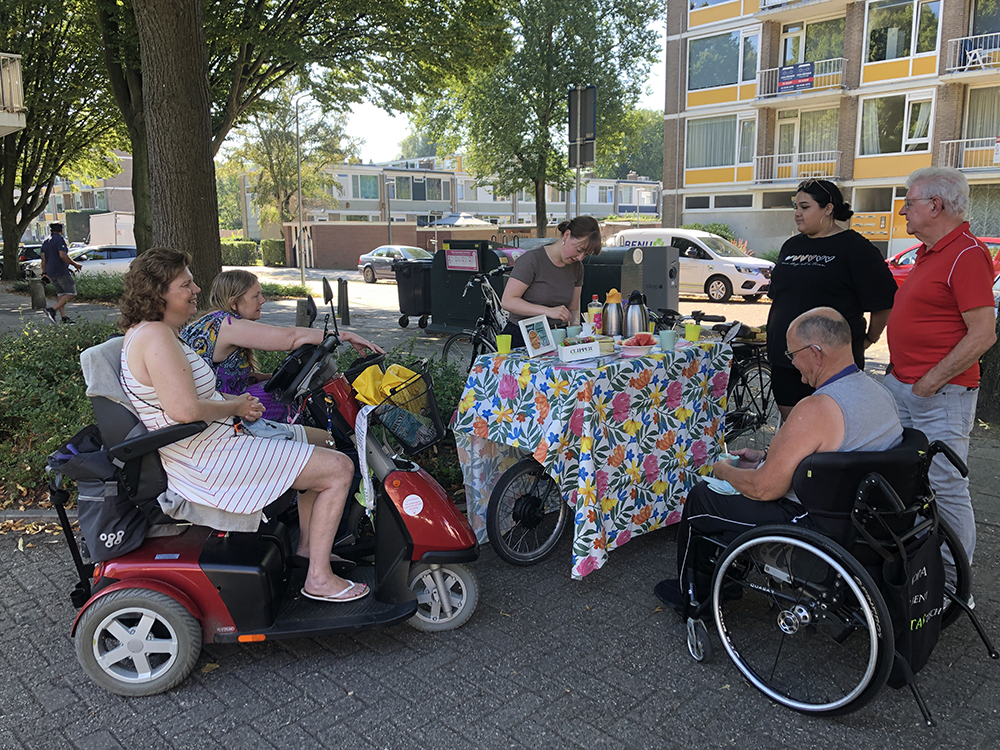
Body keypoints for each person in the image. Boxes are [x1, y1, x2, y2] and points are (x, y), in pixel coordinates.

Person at [119, 247, 367, 603]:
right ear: (158, 292)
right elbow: (184, 409)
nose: (196, 290)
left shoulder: (154, 333)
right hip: (207, 460)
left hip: (210, 445)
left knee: (320, 454)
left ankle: (312, 553)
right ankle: (319, 580)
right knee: (339, 468)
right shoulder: (156, 337)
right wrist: (236, 406)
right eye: (185, 285)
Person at [655, 307, 903, 614]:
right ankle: (728, 575)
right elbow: (831, 450)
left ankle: (696, 598)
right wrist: (766, 456)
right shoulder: (880, 393)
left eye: (793, 354)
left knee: (702, 498)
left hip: (813, 526)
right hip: (865, 521)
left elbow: (763, 489)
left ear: (816, 353)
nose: (792, 363)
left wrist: (724, 471)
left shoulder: (816, 408)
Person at [885, 167, 997, 567]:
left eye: (909, 202)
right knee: (908, 479)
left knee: (946, 485)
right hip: (907, 386)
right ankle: (919, 565)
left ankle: (953, 582)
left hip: (940, 393)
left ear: (935, 205)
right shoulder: (931, 252)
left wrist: (929, 381)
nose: (903, 211)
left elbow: (983, 333)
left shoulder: (966, 253)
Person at [767, 180, 897, 421]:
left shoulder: (856, 248)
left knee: (830, 429)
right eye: (795, 207)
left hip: (830, 362)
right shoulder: (791, 246)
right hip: (786, 358)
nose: (797, 213)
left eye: (805, 207)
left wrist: (870, 338)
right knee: (795, 427)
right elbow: (779, 296)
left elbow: (883, 302)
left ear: (828, 208)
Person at [180, 269, 382, 425]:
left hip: (219, 402)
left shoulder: (218, 321)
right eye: (256, 296)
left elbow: (223, 374)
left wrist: (266, 377)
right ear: (234, 303)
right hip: (218, 411)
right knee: (284, 404)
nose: (263, 300)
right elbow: (290, 338)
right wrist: (344, 335)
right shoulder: (227, 324)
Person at [500, 216, 603, 348]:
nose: (580, 258)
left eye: (586, 254)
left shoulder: (577, 268)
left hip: (557, 336)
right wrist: (548, 311)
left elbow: (573, 308)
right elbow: (508, 301)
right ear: (567, 235)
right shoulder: (532, 260)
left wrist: (575, 326)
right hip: (522, 337)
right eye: (579, 250)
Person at [40, 223, 83, 324]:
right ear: (61, 231)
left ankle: (63, 317)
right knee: (71, 293)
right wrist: (75, 264)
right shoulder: (59, 240)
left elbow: (43, 258)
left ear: (50, 230)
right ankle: (52, 310)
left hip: (51, 271)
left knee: (61, 294)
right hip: (60, 270)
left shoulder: (45, 241)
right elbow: (62, 255)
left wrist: (44, 272)